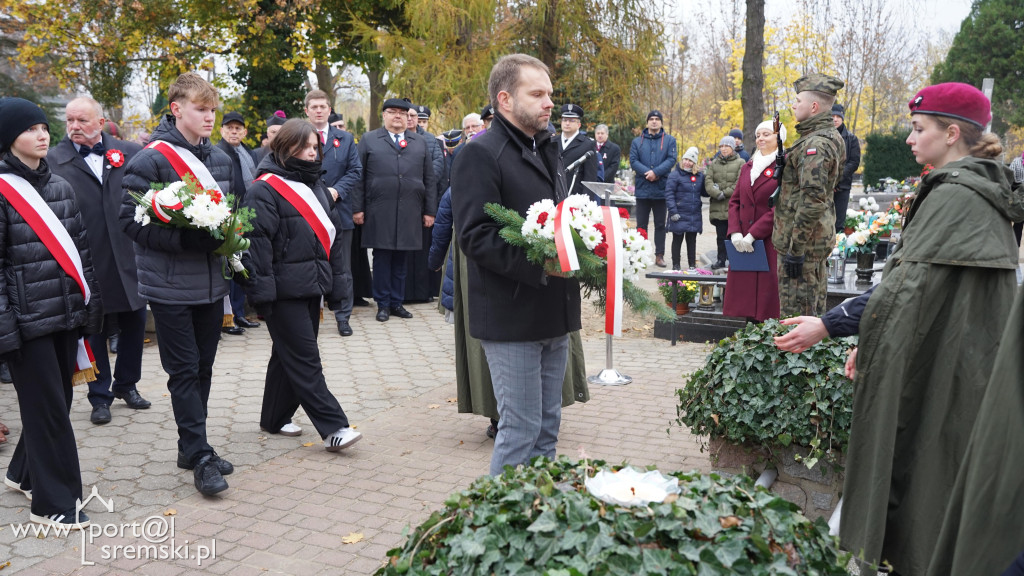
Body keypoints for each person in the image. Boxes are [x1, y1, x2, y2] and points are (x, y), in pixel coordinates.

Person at [773, 82, 1024, 575]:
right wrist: (873, 333)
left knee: (925, 477)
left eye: (918, 129)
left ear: (952, 134)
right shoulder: (976, 186)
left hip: (949, 368)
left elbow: (906, 287)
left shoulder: (959, 194)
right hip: (955, 360)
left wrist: (835, 325)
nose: (910, 139)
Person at [451, 53, 582, 476]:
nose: (550, 104)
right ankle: (496, 527)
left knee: (547, 427)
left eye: (550, 94)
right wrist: (542, 264)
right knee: (520, 428)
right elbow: (475, 235)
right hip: (511, 315)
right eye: (538, 94)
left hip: (554, 312)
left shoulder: (547, 147)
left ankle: (541, 516)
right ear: (505, 100)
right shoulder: (479, 153)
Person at [120, 72, 236, 496]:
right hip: (168, 286)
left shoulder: (220, 159)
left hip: (211, 284)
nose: (209, 117)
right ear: (177, 109)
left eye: (212, 110)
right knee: (183, 370)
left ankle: (191, 446)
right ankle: (201, 457)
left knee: (202, 368)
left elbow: (229, 214)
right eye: (201, 109)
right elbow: (128, 221)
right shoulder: (151, 159)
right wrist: (183, 238)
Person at [0, 97, 102, 528]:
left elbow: (82, 254)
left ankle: (22, 473)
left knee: (55, 403)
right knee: (48, 412)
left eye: (44, 127)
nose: (42, 135)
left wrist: (90, 310)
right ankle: (54, 503)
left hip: (65, 315)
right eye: (29, 129)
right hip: (27, 323)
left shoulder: (60, 186)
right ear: (8, 139)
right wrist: (8, 332)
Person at [242, 119, 362, 452]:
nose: (311, 153)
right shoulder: (263, 189)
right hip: (282, 293)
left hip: (311, 287)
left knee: (287, 356)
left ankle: (273, 417)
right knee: (306, 360)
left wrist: (338, 291)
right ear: (284, 148)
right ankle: (334, 426)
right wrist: (262, 298)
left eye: (314, 147)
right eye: (304, 147)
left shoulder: (318, 187)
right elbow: (256, 246)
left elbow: (333, 242)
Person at [49, 96, 150, 426]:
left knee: (135, 323)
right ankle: (99, 395)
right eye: (70, 121)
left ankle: (127, 385)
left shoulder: (130, 152)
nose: (74, 127)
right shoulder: (54, 160)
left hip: (129, 253)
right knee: (95, 329)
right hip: (87, 257)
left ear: (101, 122)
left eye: (82, 120)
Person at [352, 98, 436, 322]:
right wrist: (357, 209)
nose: (398, 116)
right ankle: (382, 304)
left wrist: (430, 211)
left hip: (410, 210)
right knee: (381, 259)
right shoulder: (369, 140)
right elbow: (358, 177)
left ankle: (397, 302)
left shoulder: (419, 142)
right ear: (384, 115)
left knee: (402, 260)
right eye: (392, 112)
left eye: (402, 112)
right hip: (379, 210)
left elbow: (429, 177)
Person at [772, 73, 845, 317]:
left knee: (797, 318)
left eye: (798, 101)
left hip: (803, 246)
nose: (793, 105)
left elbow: (812, 202)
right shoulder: (819, 138)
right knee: (809, 313)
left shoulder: (817, 145)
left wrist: (796, 250)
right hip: (809, 243)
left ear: (814, 107)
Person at [304, 90, 363, 337]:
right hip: (305, 211)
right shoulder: (296, 136)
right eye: (314, 107)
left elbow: (355, 170)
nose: (319, 110)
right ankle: (308, 317)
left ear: (330, 110)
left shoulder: (345, 139)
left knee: (342, 268)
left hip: (338, 210)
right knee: (308, 265)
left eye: (323, 106)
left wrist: (337, 191)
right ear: (306, 110)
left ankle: (343, 317)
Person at [722, 120, 784, 321]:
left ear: (779, 138)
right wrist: (735, 232)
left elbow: (780, 207)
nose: (761, 138)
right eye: (758, 135)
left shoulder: (783, 166)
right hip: (743, 242)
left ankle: (766, 341)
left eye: (766, 134)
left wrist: (753, 234)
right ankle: (749, 339)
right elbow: (735, 201)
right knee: (746, 298)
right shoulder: (748, 166)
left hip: (767, 241)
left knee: (766, 299)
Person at [215, 111, 260, 335]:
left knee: (241, 265)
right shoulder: (217, 152)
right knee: (229, 267)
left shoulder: (247, 153)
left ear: (244, 131)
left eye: (238, 128)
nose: (234, 131)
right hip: (227, 217)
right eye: (229, 127)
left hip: (246, 216)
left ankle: (239, 313)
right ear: (221, 130)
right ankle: (228, 317)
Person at [405, 104, 444, 304]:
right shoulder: (397, 137)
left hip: (424, 201)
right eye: (408, 115)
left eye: (414, 116)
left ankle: (423, 292)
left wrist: (416, 184)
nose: (411, 119)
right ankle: (403, 293)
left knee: (423, 250)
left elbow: (436, 169)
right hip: (403, 203)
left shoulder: (430, 140)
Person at [629, 110, 677, 268]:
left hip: (661, 189)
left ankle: (659, 255)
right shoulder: (637, 141)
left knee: (660, 225)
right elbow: (633, 160)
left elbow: (671, 159)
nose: (654, 122)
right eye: (651, 119)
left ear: (661, 122)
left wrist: (656, 172)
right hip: (643, 189)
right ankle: (639, 255)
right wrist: (647, 173)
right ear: (647, 122)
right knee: (641, 224)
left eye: (657, 119)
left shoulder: (669, 140)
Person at [704, 135, 744, 269]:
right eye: (721, 146)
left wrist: (724, 193)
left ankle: (734, 260)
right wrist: (716, 193)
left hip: (733, 207)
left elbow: (739, 183)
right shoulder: (714, 163)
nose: (724, 149)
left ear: (732, 147)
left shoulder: (741, 163)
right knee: (720, 236)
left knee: (734, 236)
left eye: (727, 146)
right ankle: (721, 260)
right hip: (718, 206)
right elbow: (708, 181)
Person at [664, 147, 704, 270]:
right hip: (679, 213)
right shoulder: (675, 175)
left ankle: (692, 264)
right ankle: (676, 265)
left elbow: (704, 192)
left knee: (691, 241)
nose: (687, 162)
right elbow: (669, 194)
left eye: (690, 160)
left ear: (694, 163)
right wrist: (673, 211)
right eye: (685, 159)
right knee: (677, 239)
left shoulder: (699, 176)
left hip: (693, 214)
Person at [557, 104, 599, 201]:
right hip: (554, 197)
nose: (567, 123)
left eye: (571, 120)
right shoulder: (552, 142)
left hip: (575, 199)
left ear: (579, 124)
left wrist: (585, 203)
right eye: (565, 120)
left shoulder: (588, 144)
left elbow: (590, 178)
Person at [832, 103, 861, 232]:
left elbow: (854, 162)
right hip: (824, 187)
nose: (835, 119)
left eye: (838, 116)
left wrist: (837, 178)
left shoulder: (851, 139)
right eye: (832, 116)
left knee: (839, 223)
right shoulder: (822, 137)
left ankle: (838, 250)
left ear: (842, 118)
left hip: (842, 186)